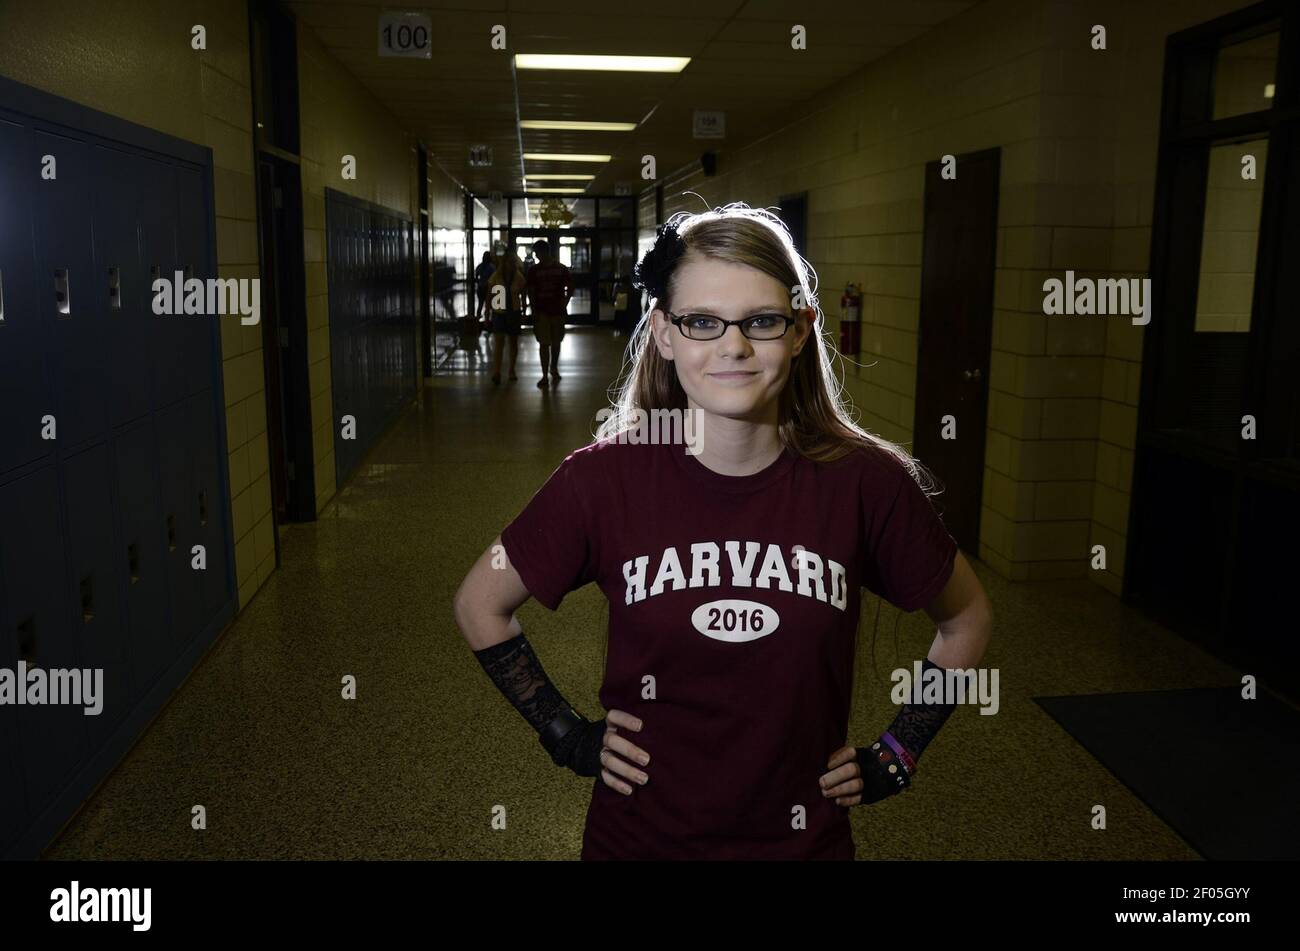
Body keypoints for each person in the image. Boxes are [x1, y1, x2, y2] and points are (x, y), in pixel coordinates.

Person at [453, 203, 993, 860]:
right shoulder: (602, 480)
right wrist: (564, 732)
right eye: (702, 321)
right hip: (640, 842)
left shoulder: (864, 482)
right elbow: (480, 602)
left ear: (799, 331)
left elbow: (967, 619)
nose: (732, 346)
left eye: (761, 321)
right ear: (663, 333)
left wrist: (901, 748)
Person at [524, 239, 574, 387]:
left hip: (545, 310)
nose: (537, 256)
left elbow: (531, 292)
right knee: (551, 342)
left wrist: (534, 310)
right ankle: (550, 371)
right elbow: (570, 286)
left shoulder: (535, 270)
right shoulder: (560, 268)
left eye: (537, 253)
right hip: (551, 311)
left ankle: (548, 372)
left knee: (548, 343)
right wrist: (565, 301)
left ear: (543, 252)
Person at [486, 247, 527, 384]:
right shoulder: (496, 276)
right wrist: (487, 314)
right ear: (504, 263)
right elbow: (489, 296)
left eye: (513, 262)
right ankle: (497, 371)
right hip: (499, 313)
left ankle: (511, 370)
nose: (511, 265)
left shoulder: (518, 277)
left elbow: (523, 294)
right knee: (499, 343)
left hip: (514, 313)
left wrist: (524, 311)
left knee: (513, 342)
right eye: (509, 262)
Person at [473, 250, 496, 323]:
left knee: (480, 304)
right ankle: (488, 321)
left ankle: (477, 320)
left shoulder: (480, 266)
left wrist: (480, 282)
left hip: (481, 287)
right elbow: (494, 277)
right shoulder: (491, 267)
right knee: (489, 305)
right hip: (488, 288)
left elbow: (476, 275)